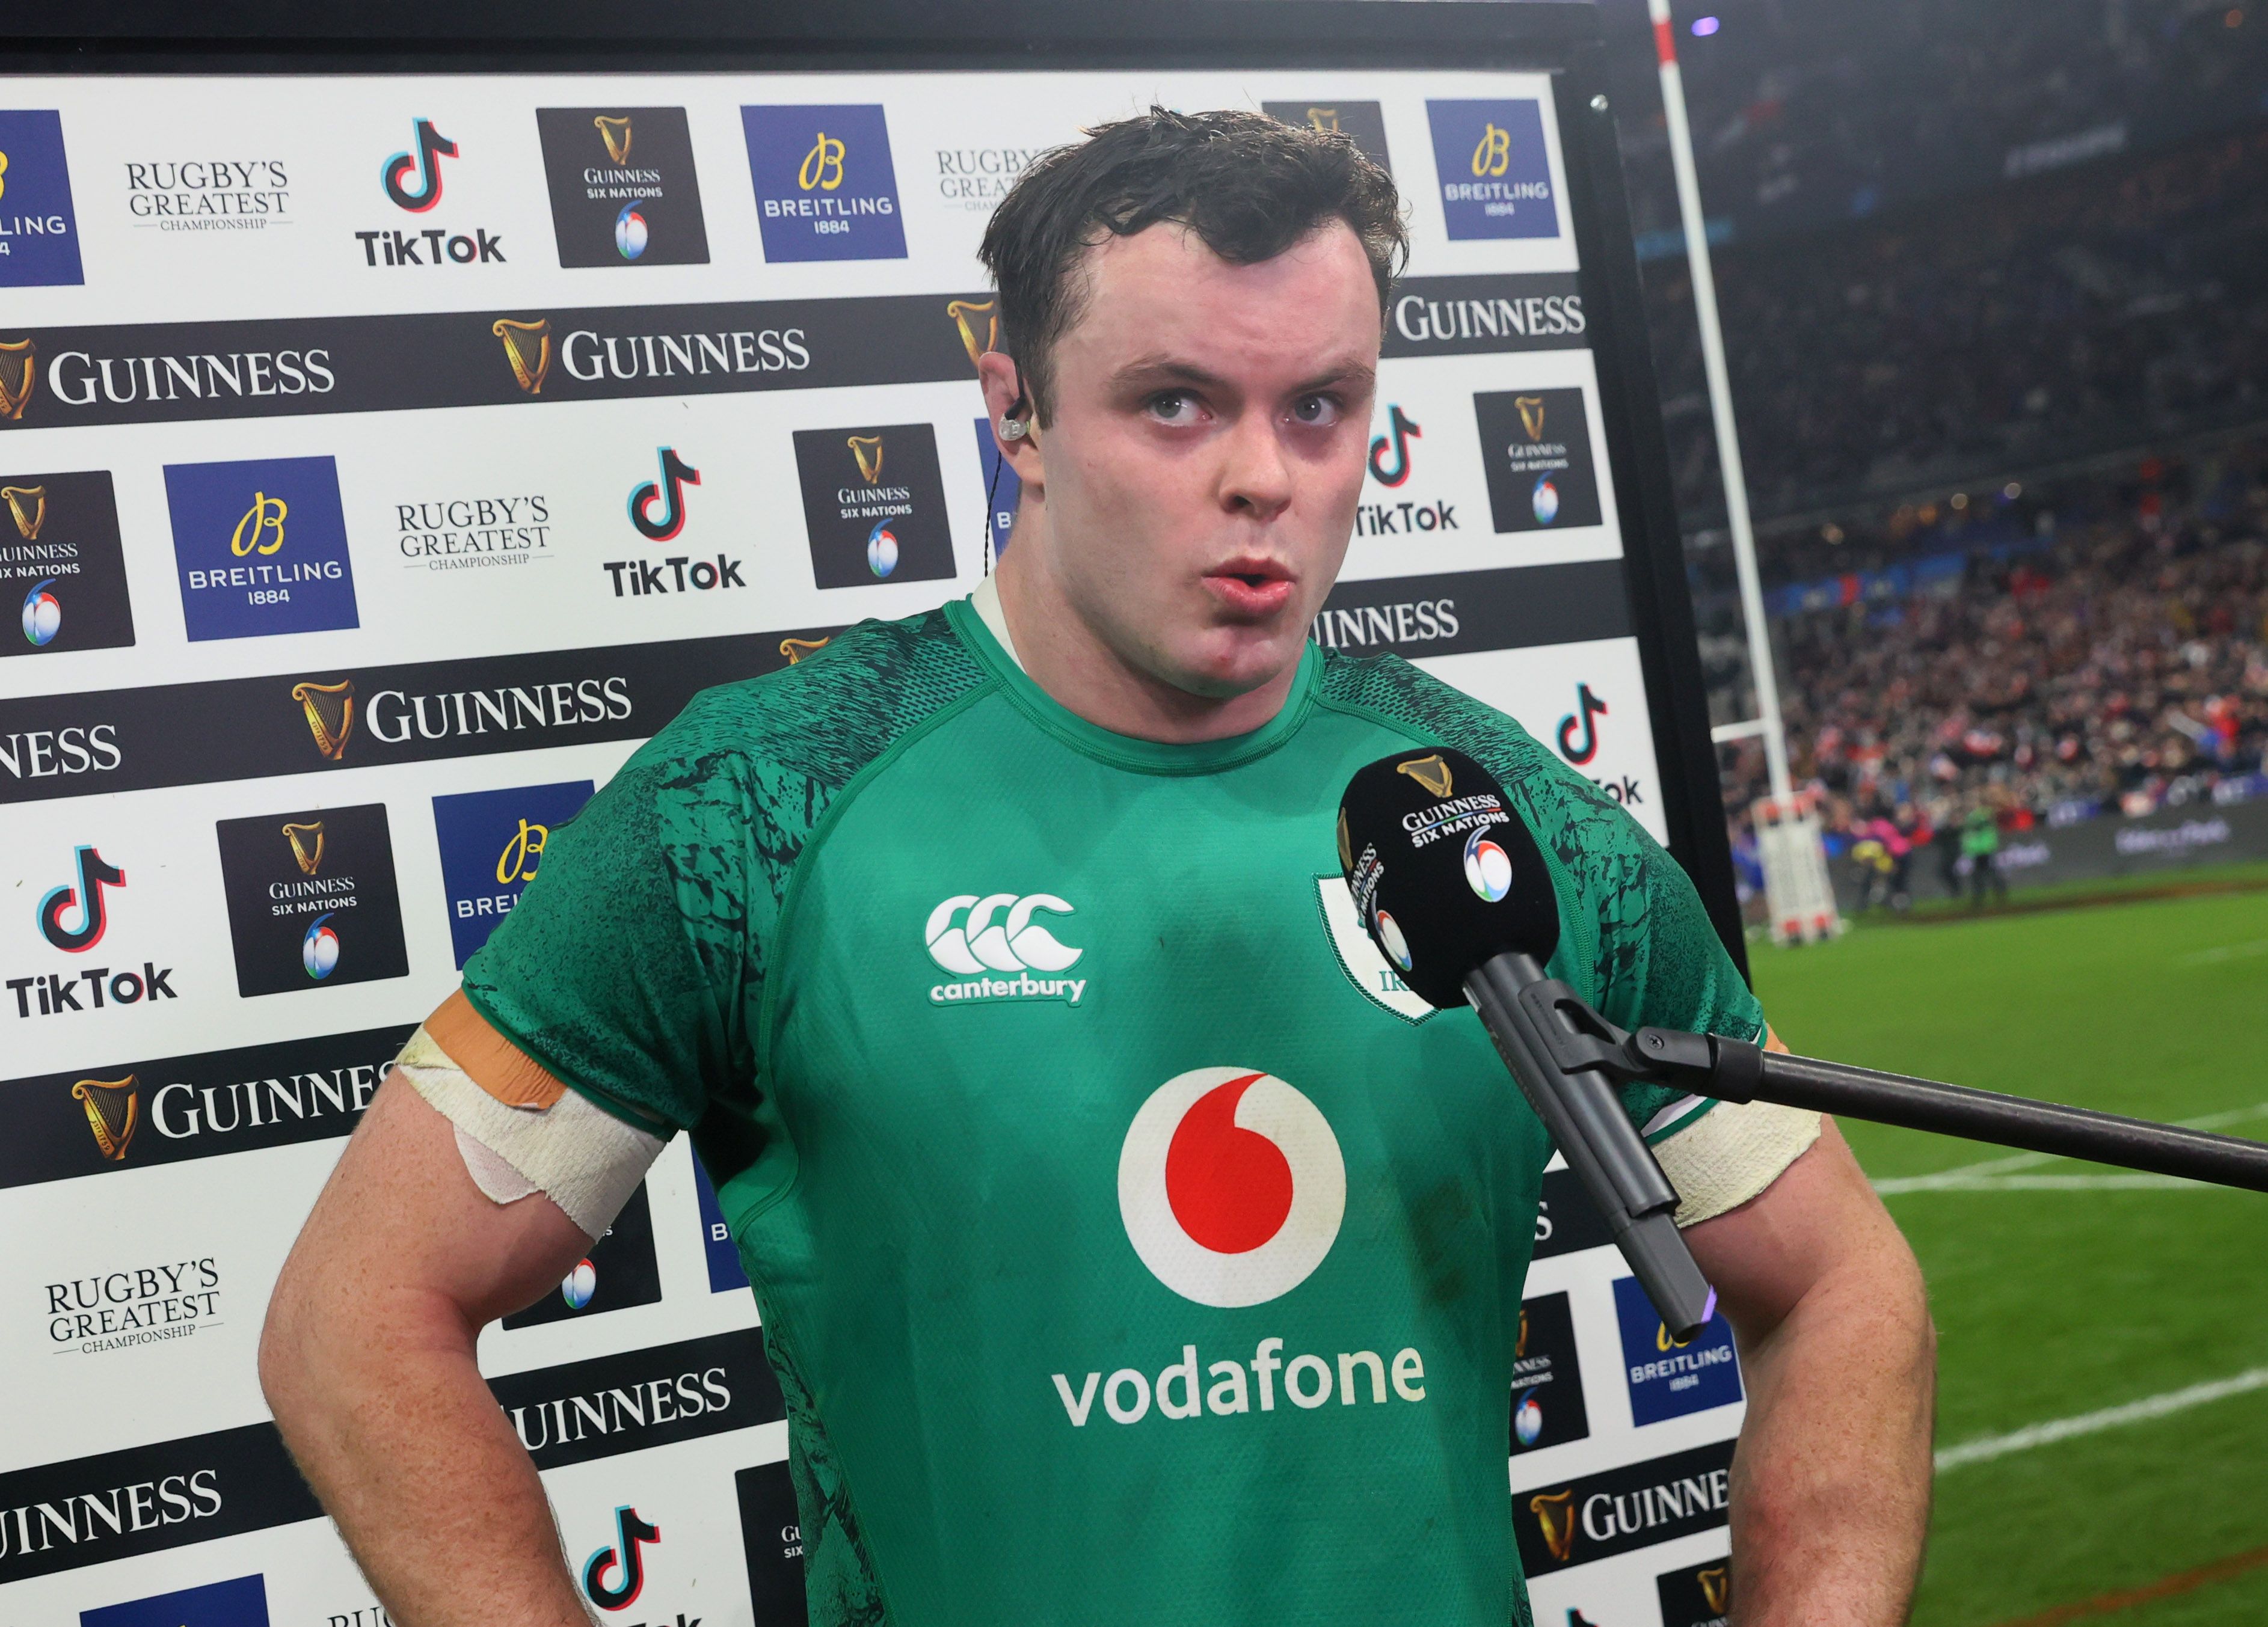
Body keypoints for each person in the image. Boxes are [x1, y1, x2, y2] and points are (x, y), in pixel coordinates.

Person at [260, 108, 1934, 1627]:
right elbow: (358, 1318)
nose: (1262, 475)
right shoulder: (756, 803)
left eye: (1321, 406)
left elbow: (1843, 1278)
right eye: (1174, 402)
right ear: (1019, 413)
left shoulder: (1502, 820)